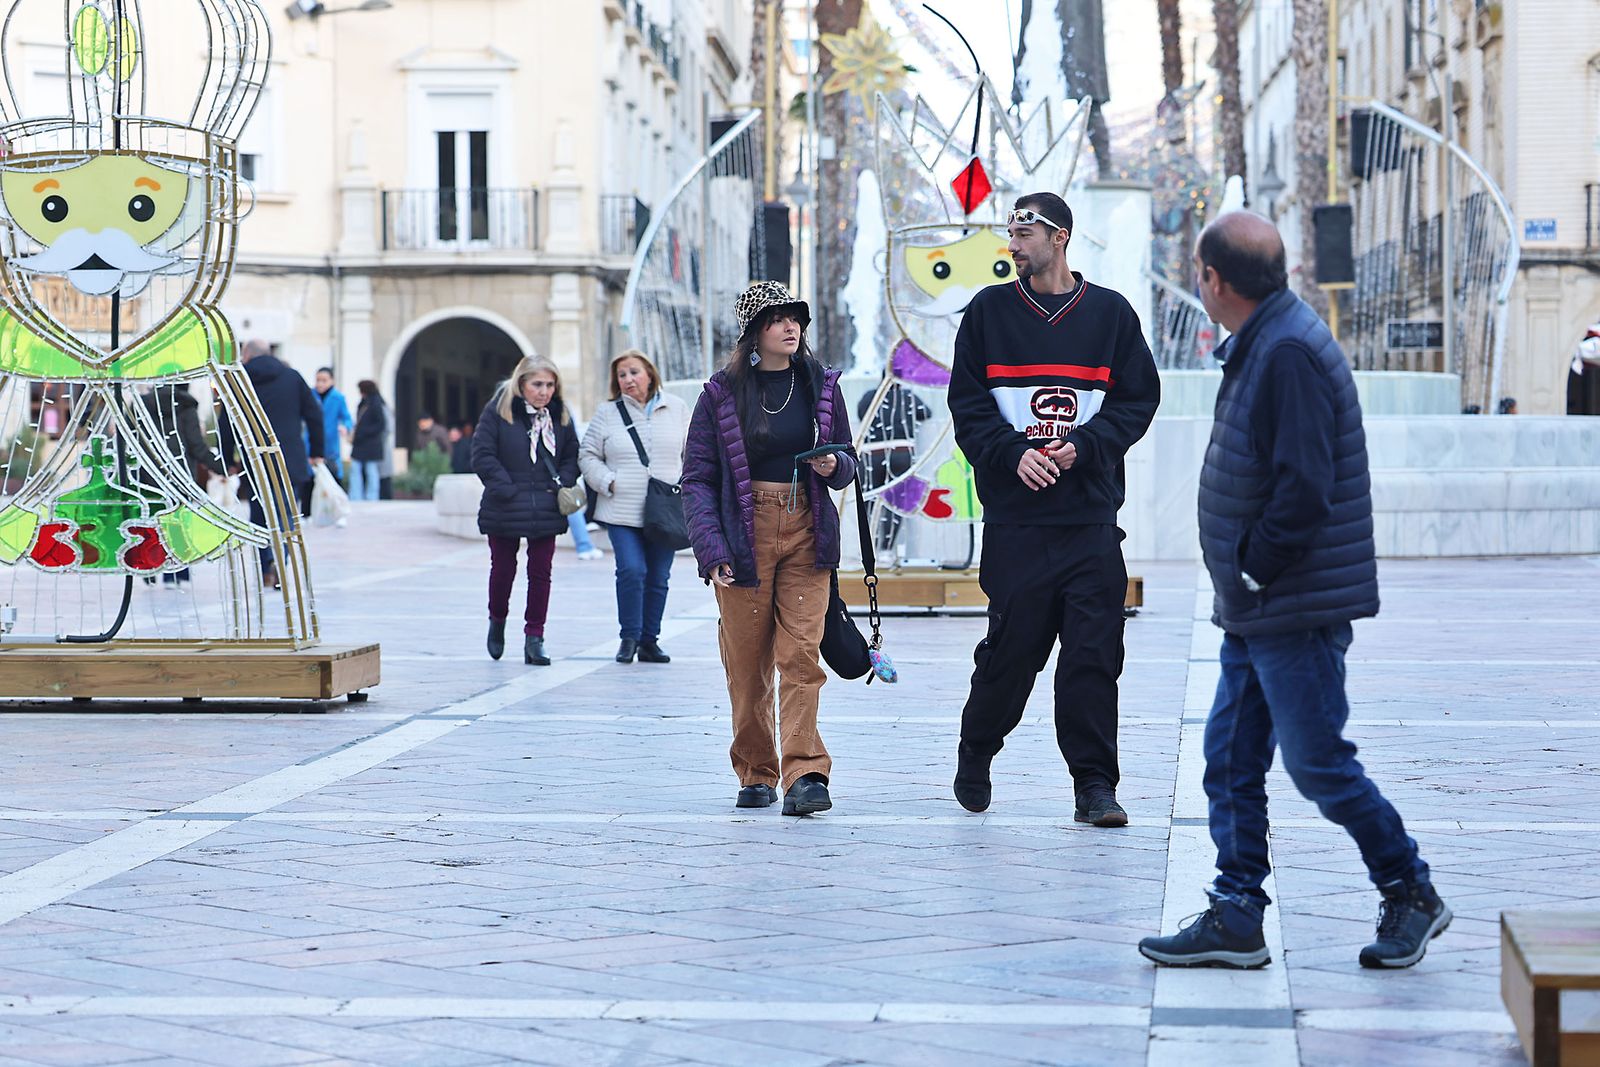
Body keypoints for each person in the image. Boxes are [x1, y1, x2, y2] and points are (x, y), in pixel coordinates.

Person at [1137, 211, 1448, 971]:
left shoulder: (1286, 354)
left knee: (1318, 764)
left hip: (1290, 604)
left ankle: (1411, 888)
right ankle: (1239, 912)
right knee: (1230, 758)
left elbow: (1304, 489)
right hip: (1261, 605)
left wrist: (1251, 565)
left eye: (1198, 272)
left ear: (1213, 279)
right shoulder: (1268, 339)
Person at [947, 192, 1160, 828]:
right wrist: (1012, 454)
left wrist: (1085, 447)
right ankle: (977, 749)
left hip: (1091, 522)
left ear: (1059, 237)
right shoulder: (987, 313)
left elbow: (1137, 400)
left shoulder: (1111, 314)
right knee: (1012, 653)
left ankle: (1094, 784)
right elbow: (969, 406)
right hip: (1017, 524)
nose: (1011, 243)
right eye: (1009, 231)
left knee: (1095, 656)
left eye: (1023, 231)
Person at [682, 282, 858, 816]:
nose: (790, 327)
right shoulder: (720, 393)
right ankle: (756, 771)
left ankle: (805, 774)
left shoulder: (821, 385)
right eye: (777, 319)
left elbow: (849, 459)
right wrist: (712, 551)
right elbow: (696, 479)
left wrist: (835, 466)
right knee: (747, 663)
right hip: (744, 532)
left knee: (799, 654)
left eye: (795, 318)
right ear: (755, 332)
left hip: (807, 527)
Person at [580, 349, 690, 662]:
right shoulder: (607, 412)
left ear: (650, 374)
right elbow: (587, 455)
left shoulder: (677, 407)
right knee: (631, 570)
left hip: (666, 509)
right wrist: (607, 481)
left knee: (658, 577)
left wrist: (684, 483)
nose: (628, 379)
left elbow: (694, 453)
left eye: (634, 372)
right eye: (622, 375)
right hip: (620, 508)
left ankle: (649, 641)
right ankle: (628, 637)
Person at [472, 354, 579, 666]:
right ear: (521, 384)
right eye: (537, 384)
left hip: (546, 504)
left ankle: (535, 637)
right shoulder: (498, 412)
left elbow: (572, 453)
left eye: (549, 384)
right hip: (505, 504)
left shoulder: (559, 415)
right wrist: (506, 488)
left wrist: (565, 481)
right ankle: (497, 620)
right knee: (503, 569)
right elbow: (482, 454)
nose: (544, 391)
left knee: (541, 573)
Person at [220, 340, 324, 587]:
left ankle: (265, 565)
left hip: (255, 460)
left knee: (258, 514)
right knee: (286, 514)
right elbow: (314, 414)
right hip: (289, 458)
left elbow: (226, 422)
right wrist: (317, 451)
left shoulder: (239, 380)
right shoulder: (292, 377)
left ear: (246, 355)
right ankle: (282, 562)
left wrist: (227, 460)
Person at [141, 382, 223, 585]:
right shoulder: (186, 406)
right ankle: (176, 573)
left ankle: (149, 567)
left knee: (151, 522)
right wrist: (222, 467)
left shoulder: (142, 404)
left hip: (148, 475)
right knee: (177, 524)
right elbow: (196, 446)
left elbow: (130, 441)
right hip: (181, 475)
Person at [857, 374, 932, 560]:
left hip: (871, 454)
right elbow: (927, 412)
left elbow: (861, 414)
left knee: (868, 502)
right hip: (901, 452)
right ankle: (886, 549)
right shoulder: (908, 397)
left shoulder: (870, 396)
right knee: (895, 502)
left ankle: (868, 548)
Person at [349, 380, 388, 501]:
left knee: (370, 470)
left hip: (370, 443)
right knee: (357, 469)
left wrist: (363, 432)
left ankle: (371, 497)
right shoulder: (365, 403)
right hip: (362, 443)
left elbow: (380, 424)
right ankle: (356, 496)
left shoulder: (375, 403)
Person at [313, 367, 353, 483]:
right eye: (318, 380)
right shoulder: (310, 395)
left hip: (331, 448)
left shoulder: (338, 398)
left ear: (332, 381)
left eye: (324, 380)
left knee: (333, 481)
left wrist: (345, 427)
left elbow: (347, 418)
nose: (320, 384)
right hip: (312, 445)